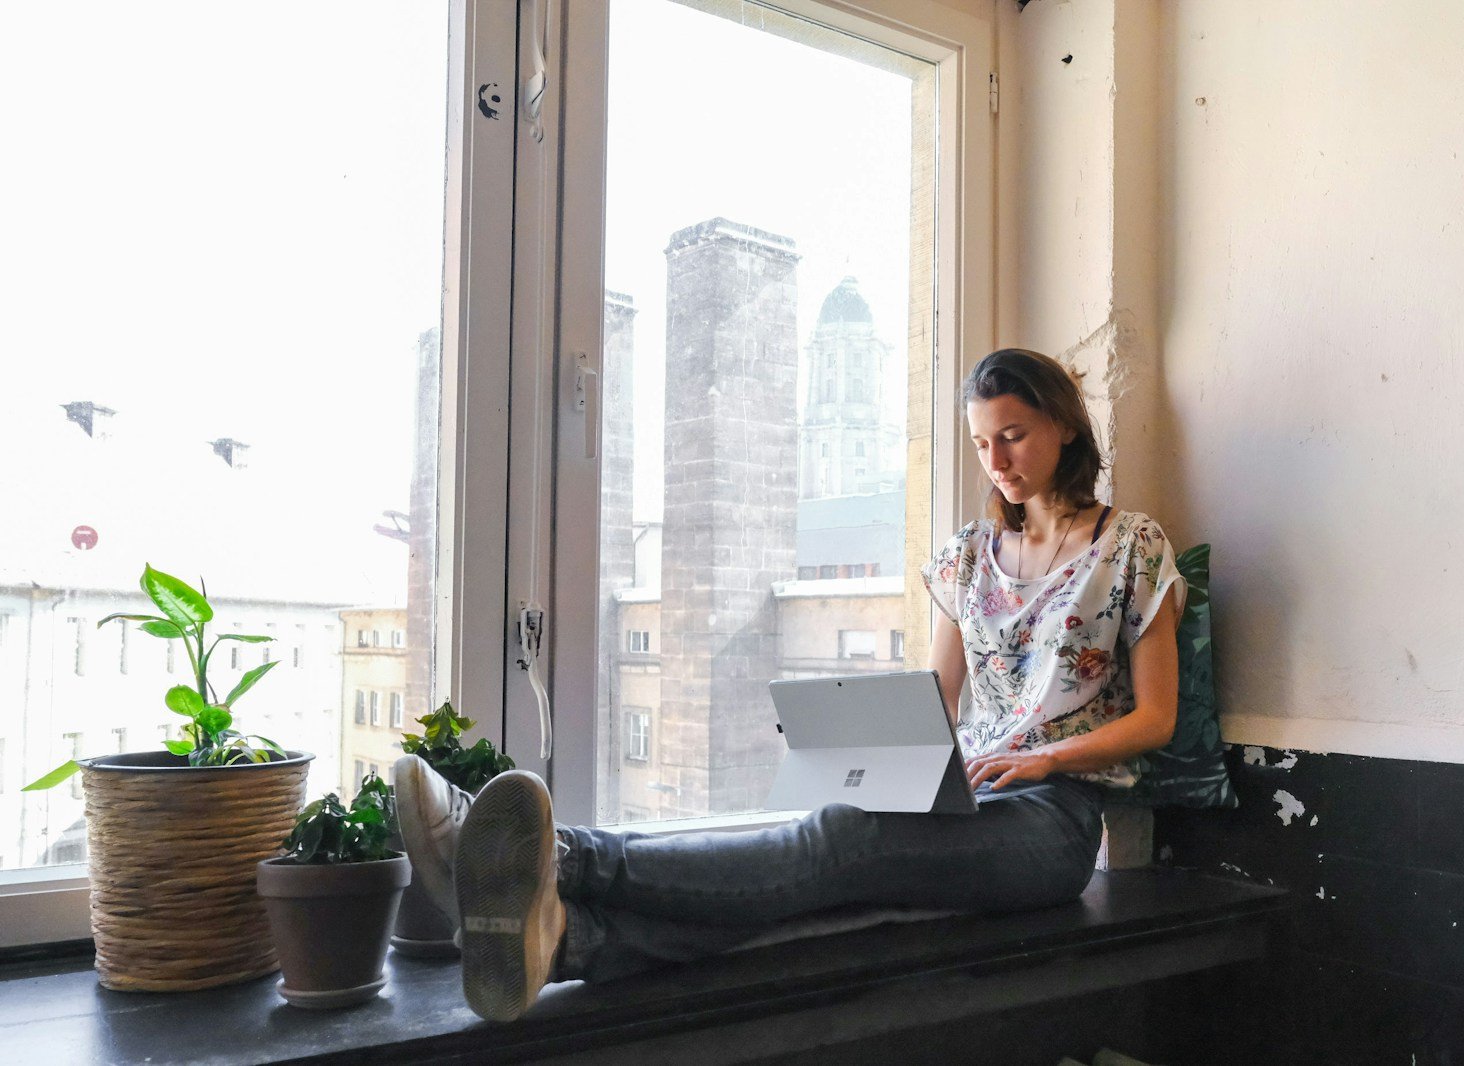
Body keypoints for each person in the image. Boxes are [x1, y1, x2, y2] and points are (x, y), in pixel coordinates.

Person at [395, 347, 1185, 1024]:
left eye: (1012, 436)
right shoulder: (968, 556)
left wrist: (1046, 759)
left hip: (1056, 820)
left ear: (1065, 426)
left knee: (842, 843)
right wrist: (862, 744)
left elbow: (1157, 718)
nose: (997, 462)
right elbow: (940, 702)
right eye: (982, 443)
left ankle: (552, 856)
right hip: (973, 795)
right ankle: (567, 941)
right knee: (830, 870)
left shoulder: (1131, 546)